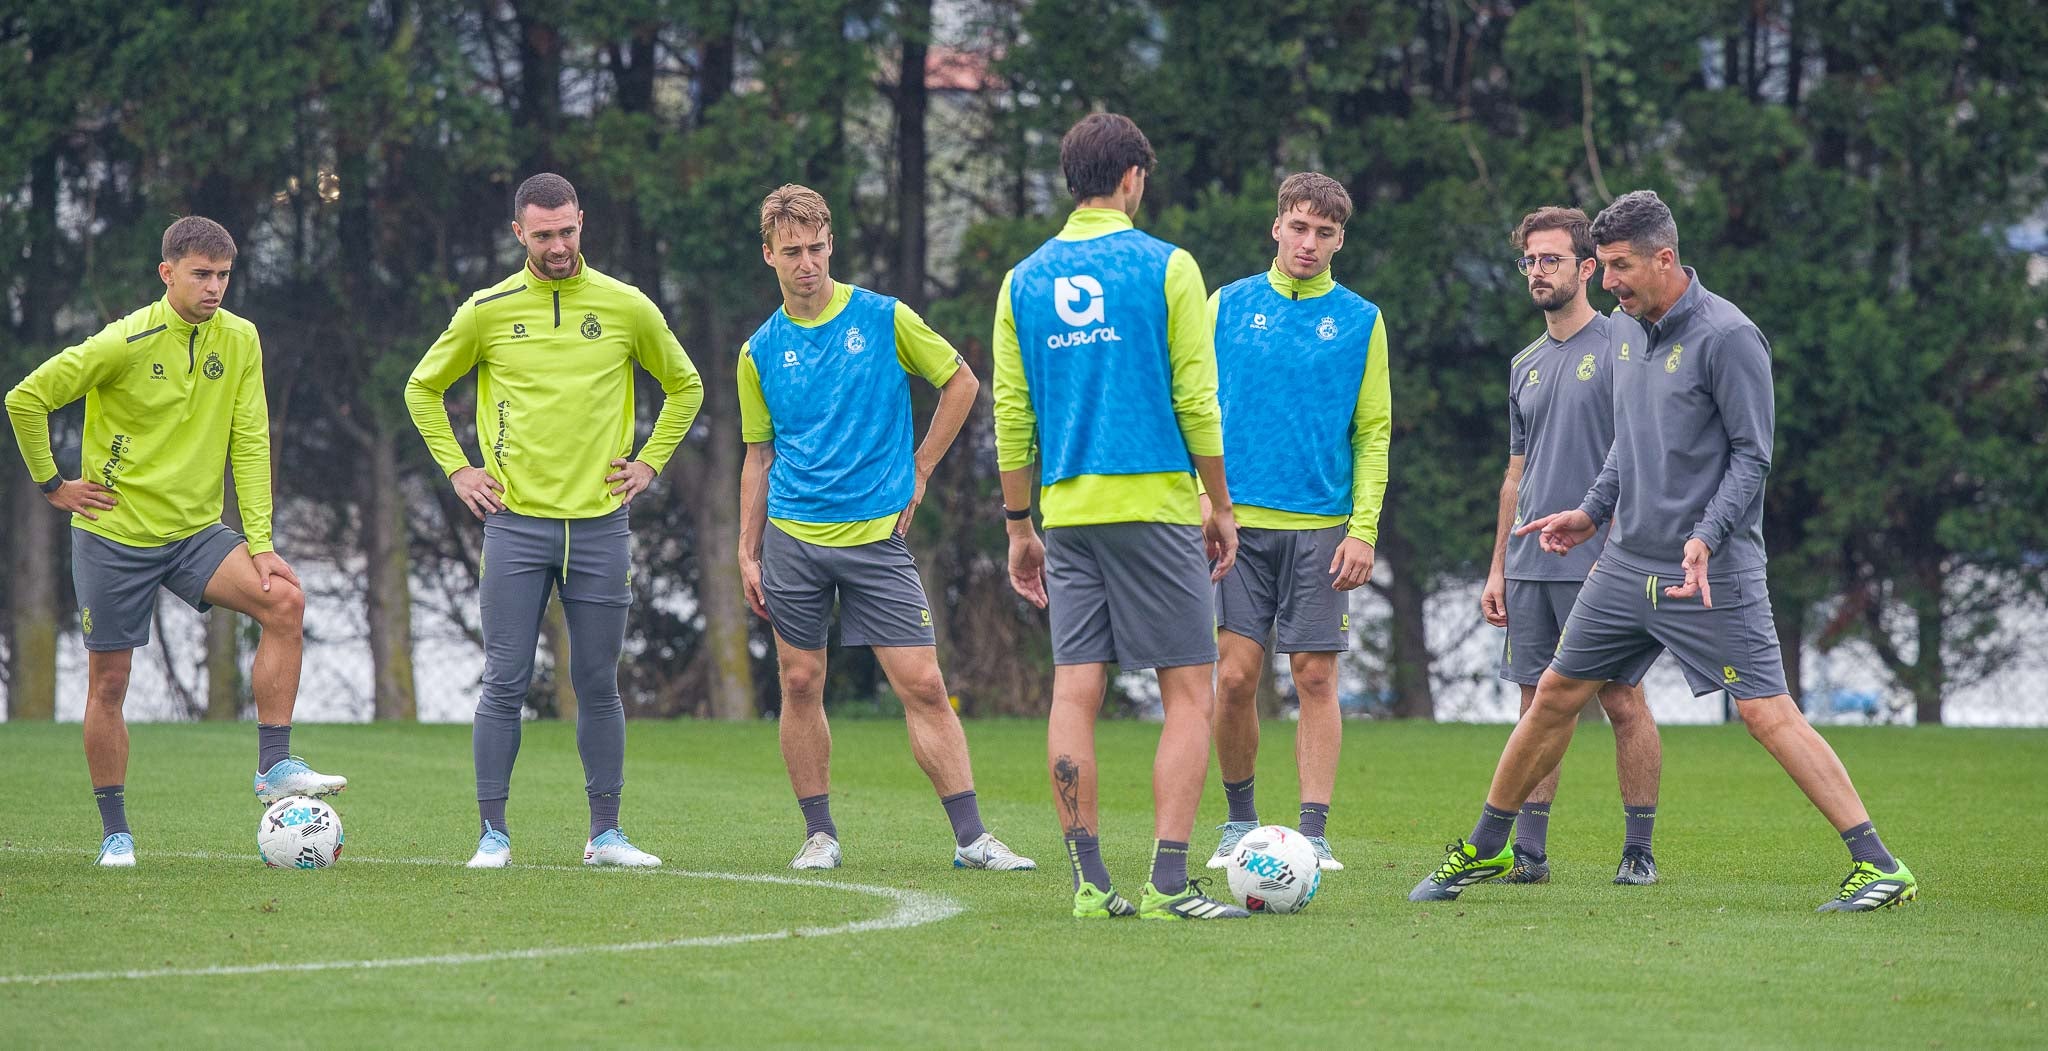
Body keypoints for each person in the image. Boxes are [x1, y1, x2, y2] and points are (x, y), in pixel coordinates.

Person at [1410, 190, 1917, 912]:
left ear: (1665, 258)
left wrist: (1706, 538)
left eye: (1619, 266)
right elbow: (1629, 437)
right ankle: (1487, 845)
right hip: (1622, 566)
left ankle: (1880, 864)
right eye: (1605, 266)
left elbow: (1752, 456)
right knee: (1552, 695)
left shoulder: (1729, 337)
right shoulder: (1623, 328)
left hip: (1711, 573)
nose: (1609, 281)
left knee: (1768, 714)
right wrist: (1591, 512)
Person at [5, 216, 345, 868]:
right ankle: (116, 833)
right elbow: (26, 398)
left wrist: (261, 540)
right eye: (201, 274)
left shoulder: (241, 339)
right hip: (115, 535)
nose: (215, 286)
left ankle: (273, 767)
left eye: (223, 274)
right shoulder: (124, 340)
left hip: (194, 533)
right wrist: (53, 483)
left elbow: (250, 438)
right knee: (110, 683)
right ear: (169, 274)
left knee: (285, 600)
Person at [405, 173, 703, 869]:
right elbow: (423, 387)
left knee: (598, 682)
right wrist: (458, 469)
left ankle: (605, 834)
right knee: (504, 680)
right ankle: (493, 835)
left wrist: (651, 463)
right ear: (519, 234)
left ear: (581, 223)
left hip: (601, 527)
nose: (559, 244)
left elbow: (686, 384)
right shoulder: (486, 310)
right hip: (516, 526)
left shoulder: (626, 306)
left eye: (568, 230)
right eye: (543, 234)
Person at [736, 183, 1033, 872]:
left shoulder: (884, 317)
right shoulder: (757, 351)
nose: (806, 262)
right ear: (769, 256)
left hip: (876, 540)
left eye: (816, 248)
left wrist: (922, 468)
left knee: (924, 683)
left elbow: (960, 382)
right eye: (791, 252)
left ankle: (972, 838)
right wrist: (745, 549)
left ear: (830, 244)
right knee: (801, 680)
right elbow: (758, 454)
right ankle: (820, 835)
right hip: (793, 539)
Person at [995, 113, 1249, 920]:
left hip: (1066, 513)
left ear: (1071, 180)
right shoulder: (1169, 267)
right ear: (1133, 177)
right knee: (1188, 693)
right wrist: (1219, 502)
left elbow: (1012, 414)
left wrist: (1016, 523)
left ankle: (1089, 884)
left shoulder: (1021, 281)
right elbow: (1196, 401)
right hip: (1154, 503)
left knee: (1075, 689)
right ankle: (1169, 883)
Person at [1202, 172, 1390, 874]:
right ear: (1277, 226)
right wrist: (1203, 497)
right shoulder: (1224, 305)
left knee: (1314, 674)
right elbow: (1193, 404)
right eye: (1300, 227)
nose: (1310, 242)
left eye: (1326, 232)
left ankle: (1312, 833)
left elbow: (1374, 431)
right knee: (1235, 676)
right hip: (1236, 525)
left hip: (1322, 526)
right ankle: (1238, 822)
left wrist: (1363, 528)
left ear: (1341, 239)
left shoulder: (1362, 319)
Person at [1478, 206, 1664, 885]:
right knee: (1537, 707)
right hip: (1530, 567)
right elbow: (1515, 474)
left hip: (1607, 563)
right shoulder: (1523, 362)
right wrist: (1497, 566)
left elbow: (1646, 453)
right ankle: (1529, 851)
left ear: (1587, 268)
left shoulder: (1627, 345)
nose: (1537, 271)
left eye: (1551, 259)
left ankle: (1638, 849)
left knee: (1621, 701)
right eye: (1530, 260)